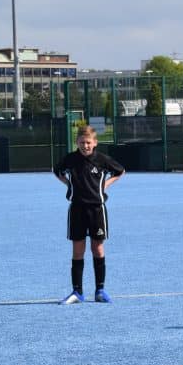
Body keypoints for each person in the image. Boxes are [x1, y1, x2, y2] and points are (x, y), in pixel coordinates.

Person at [53, 125, 125, 304]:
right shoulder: (70, 159)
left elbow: (120, 171)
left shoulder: (101, 159)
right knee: (78, 250)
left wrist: (105, 185)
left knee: (97, 248)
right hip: (77, 209)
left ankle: (100, 290)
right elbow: (57, 171)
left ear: (95, 143)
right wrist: (69, 184)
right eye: (81, 142)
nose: (85, 146)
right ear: (77, 142)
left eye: (88, 143)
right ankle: (77, 292)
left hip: (97, 209)